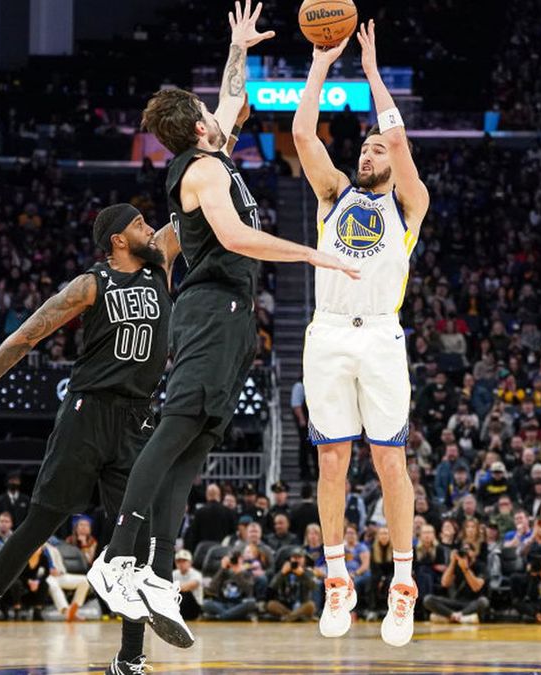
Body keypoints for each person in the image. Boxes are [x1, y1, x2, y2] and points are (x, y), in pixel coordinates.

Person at [88, 0, 356, 651]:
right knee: (174, 431)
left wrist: (240, 46)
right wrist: (310, 252)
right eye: (210, 113)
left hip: (231, 316)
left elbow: (233, 98)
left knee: (193, 448)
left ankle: (157, 574)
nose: (221, 112)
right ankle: (116, 558)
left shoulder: (213, 154)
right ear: (199, 127)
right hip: (209, 308)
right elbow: (235, 236)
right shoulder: (204, 169)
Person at [0, 204, 179, 675]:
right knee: (42, 521)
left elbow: (197, 195)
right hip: (88, 414)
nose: (152, 229)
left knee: (134, 534)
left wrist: (220, 159)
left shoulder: (160, 264)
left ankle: (130, 658)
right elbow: (26, 336)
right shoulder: (91, 284)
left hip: (137, 418)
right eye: (139, 224)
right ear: (117, 240)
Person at [292, 20, 431, 647]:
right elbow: (303, 134)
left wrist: (372, 72)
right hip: (327, 334)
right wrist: (321, 64)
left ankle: (402, 584)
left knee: (389, 460)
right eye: (365, 149)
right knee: (332, 460)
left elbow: (398, 139)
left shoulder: (409, 204)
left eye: (376, 150)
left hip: (379, 336)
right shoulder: (334, 195)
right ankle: (337, 579)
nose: (368, 154)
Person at [267, 547, 318, 622]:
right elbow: (272, 586)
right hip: (286, 606)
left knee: (311, 605)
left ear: (304, 559)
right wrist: (281, 573)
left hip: (302, 606)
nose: (297, 560)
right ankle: (297, 617)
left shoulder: (308, 572)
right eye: (294, 557)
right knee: (271, 604)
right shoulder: (284, 571)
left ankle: (288, 618)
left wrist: (302, 574)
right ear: (290, 559)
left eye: (299, 557)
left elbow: (315, 586)